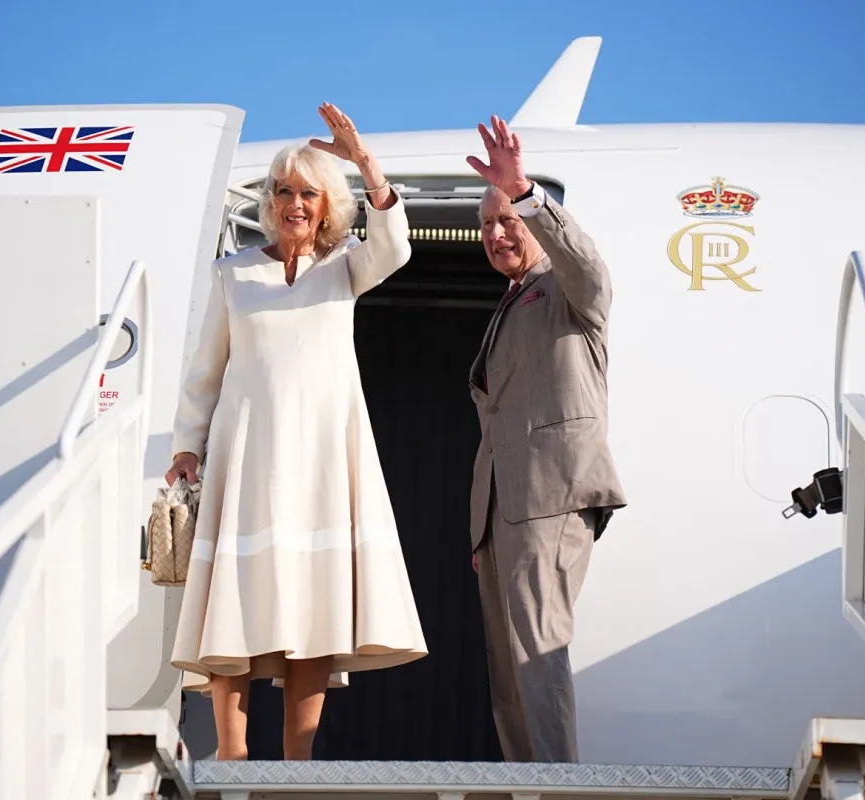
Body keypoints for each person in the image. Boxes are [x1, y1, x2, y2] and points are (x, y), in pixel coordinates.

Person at [165, 103, 428, 762]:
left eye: (308, 192)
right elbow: (205, 371)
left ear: (327, 203)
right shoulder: (235, 274)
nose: (294, 203)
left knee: (311, 605)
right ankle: (231, 753)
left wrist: (365, 162)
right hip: (248, 454)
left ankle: (298, 763)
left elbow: (395, 246)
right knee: (237, 597)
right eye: (283, 191)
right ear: (270, 201)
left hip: (318, 459)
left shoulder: (345, 267)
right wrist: (186, 446)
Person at [464, 115, 628, 763]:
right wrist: (484, 528)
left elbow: (587, 264)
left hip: (553, 499)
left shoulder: (566, 289)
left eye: (509, 220)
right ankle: (527, 783)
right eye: (487, 225)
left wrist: (526, 193)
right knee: (508, 677)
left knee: (538, 653)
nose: (498, 234)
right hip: (505, 517)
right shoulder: (510, 303)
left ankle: (558, 784)